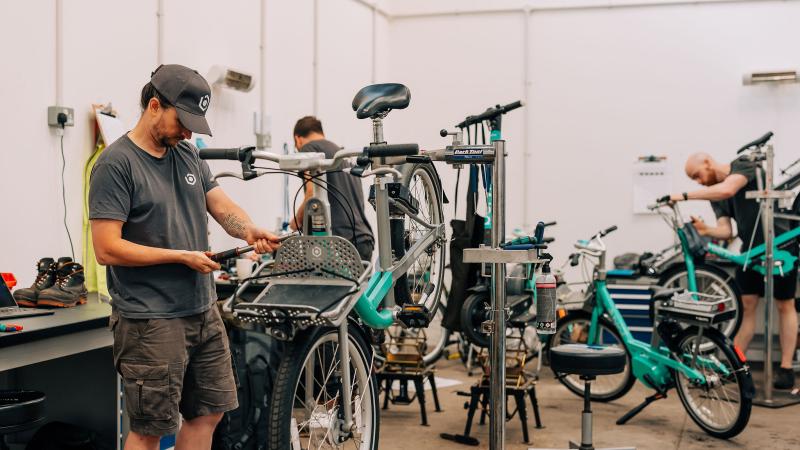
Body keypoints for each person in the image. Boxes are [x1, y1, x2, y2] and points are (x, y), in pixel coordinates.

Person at [89, 64, 281, 450]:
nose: (189, 132)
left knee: (209, 412)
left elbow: (221, 206)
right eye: (184, 121)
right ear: (155, 106)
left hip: (202, 310)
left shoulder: (189, 155)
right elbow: (106, 247)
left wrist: (250, 230)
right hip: (150, 320)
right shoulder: (116, 164)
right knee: (150, 429)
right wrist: (180, 256)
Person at [668, 151, 798, 389]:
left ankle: (786, 368)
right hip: (750, 253)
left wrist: (683, 196)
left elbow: (728, 189)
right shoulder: (714, 195)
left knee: (784, 304)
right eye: (693, 181)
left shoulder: (743, 166)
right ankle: (736, 366)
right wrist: (706, 230)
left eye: (697, 175)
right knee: (746, 306)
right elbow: (726, 231)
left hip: (781, 247)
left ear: (708, 162)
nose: (698, 182)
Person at [289, 116, 375, 261]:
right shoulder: (342, 155)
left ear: (298, 139)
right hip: (363, 240)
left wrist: (297, 221)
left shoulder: (309, 150)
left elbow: (311, 194)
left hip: (339, 244)